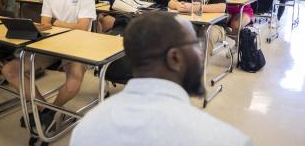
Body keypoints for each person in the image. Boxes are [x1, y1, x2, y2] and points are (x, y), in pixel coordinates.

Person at [70, 11, 252, 146]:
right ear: (175, 58)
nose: (200, 53)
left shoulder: (86, 128)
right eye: (194, 45)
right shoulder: (227, 140)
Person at [1, 0, 96, 129]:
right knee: (9, 70)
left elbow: (82, 27)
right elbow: (45, 23)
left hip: (78, 47)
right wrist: (57, 24)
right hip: (51, 45)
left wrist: (56, 22)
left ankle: (54, 109)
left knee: (74, 81)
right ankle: (45, 108)